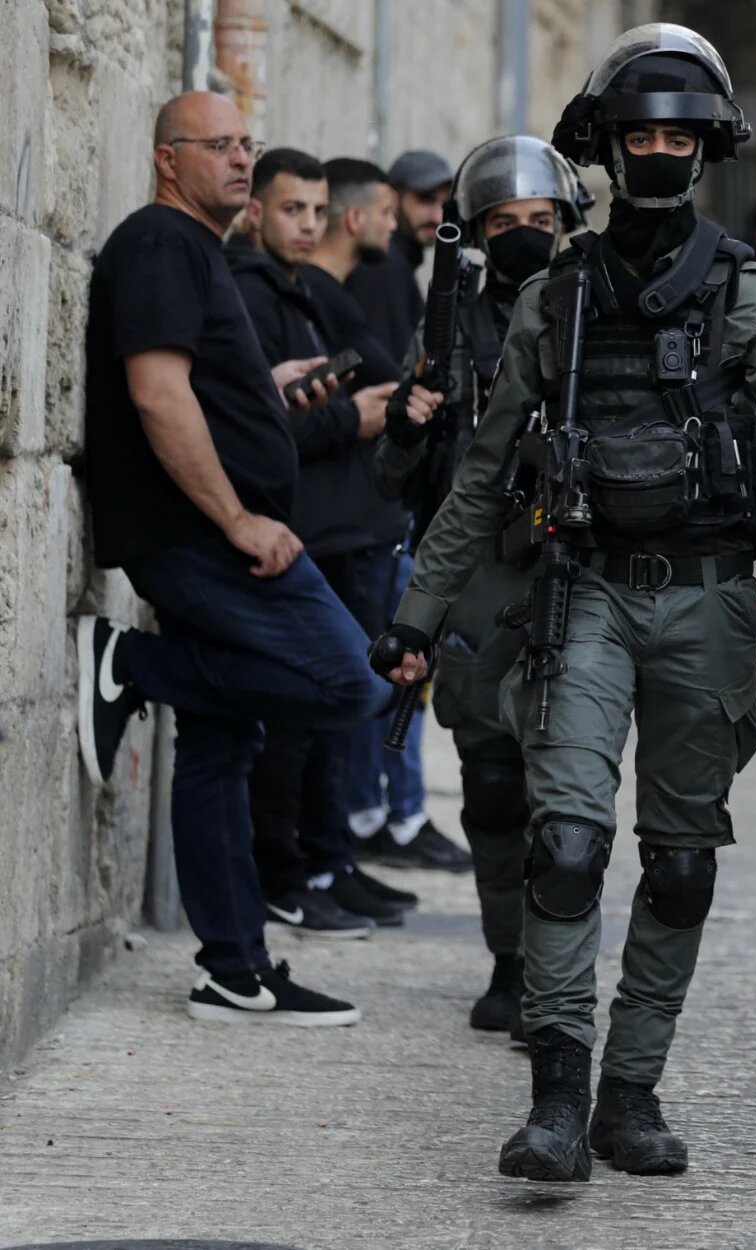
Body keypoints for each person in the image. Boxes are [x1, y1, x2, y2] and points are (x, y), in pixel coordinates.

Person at [371, 23, 756, 1182]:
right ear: (607, 146)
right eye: (638, 134)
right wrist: (416, 618)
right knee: (567, 844)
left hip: (703, 603)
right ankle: (555, 1097)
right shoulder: (559, 300)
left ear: (705, 150)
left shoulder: (742, 293)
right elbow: (483, 474)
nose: (655, 153)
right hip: (580, 595)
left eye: (676, 136)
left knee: (681, 862)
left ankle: (630, 1092)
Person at [78, 91, 382, 1025]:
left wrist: (266, 386)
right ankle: (132, 664)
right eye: (219, 145)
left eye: (247, 143)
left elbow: (196, 383)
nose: (242, 159)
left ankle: (233, 967)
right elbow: (158, 395)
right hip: (204, 540)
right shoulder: (162, 243)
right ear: (170, 159)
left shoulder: (198, 254)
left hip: (205, 535)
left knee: (220, 746)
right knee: (350, 683)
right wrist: (238, 517)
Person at [373, 135, 586, 1036]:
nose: (526, 236)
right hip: (473, 581)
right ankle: (509, 957)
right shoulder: (450, 327)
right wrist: (408, 425)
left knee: (566, 799)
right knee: (494, 793)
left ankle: (557, 974)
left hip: (570, 577)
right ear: (478, 233)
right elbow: (396, 481)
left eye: (541, 221)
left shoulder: (590, 313)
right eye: (506, 224)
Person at [230, 149, 438, 936]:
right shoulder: (246, 293)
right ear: (257, 212)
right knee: (297, 715)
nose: (309, 226)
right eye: (294, 210)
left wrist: (379, 406)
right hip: (300, 534)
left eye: (317, 211)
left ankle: (329, 859)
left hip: (353, 532)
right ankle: (289, 871)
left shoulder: (314, 288)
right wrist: (348, 418)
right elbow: (254, 427)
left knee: (340, 710)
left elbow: (398, 383)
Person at [301, 158, 472, 875]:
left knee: (395, 676)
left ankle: (380, 821)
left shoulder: (392, 274)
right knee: (384, 675)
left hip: (379, 517)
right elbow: (390, 379)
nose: (430, 215)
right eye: (421, 201)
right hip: (364, 516)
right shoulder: (377, 278)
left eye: (443, 202)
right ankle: (380, 822)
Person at [347, 148, 455, 363]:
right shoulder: (383, 265)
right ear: (393, 200)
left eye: (445, 204)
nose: (437, 216)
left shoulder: (398, 263)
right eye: (425, 199)